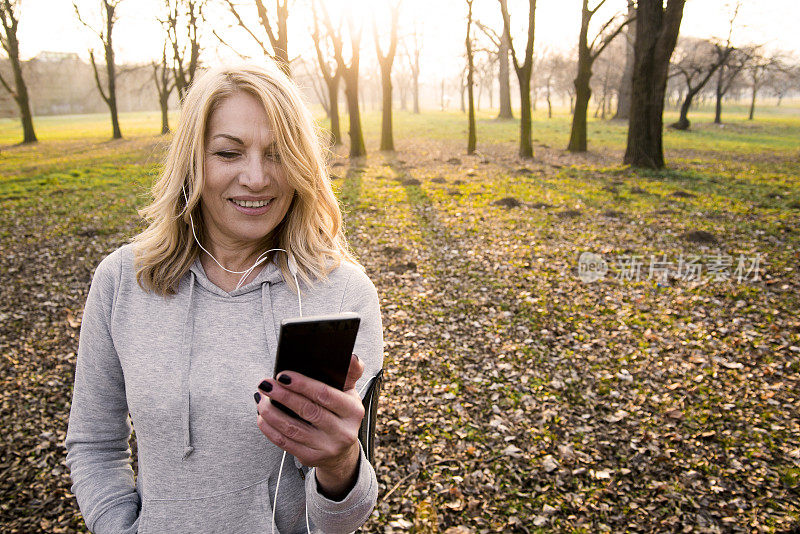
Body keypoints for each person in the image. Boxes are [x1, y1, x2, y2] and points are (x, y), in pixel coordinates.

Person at [63, 63, 384, 534]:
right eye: (229, 153)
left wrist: (340, 465)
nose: (255, 178)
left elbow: (343, 520)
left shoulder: (342, 294)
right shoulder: (122, 282)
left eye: (277, 154)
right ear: (194, 161)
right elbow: (94, 442)